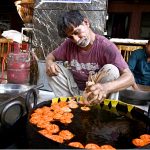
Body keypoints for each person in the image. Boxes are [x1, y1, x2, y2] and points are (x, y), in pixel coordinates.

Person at [46, 10, 134, 104]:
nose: (76, 40)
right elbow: (50, 56)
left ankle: (103, 110)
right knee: (53, 69)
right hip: (75, 92)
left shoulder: (106, 46)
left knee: (112, 70)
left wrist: (105, 88)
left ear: (86, 23)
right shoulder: (68, 44)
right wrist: (49, 63)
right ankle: (69, 107)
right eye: (71, 37)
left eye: (76, 32)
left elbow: (130, 78)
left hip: (97, 93)